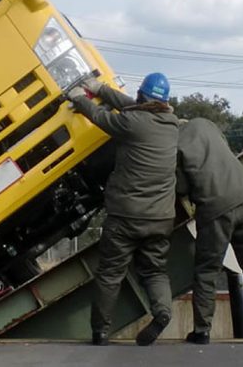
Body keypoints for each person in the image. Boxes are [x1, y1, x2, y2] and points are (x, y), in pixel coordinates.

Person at [66, 73, 179, 346]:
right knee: (154, 272)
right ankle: (162, 312)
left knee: (110, 273)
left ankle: (101, 332)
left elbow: (101, 117)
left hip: (126, 216)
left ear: (142, 95)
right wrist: (100, 88)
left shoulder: (131, 123)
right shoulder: (171, 125)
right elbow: (134, 106)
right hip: (161, 217)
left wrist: (80, 97)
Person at [176, 117, 243, 345]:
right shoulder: (207, 124)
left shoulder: (175, 144)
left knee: (207, 270)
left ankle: (202, 330)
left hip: (216, 208)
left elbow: (180, 186)